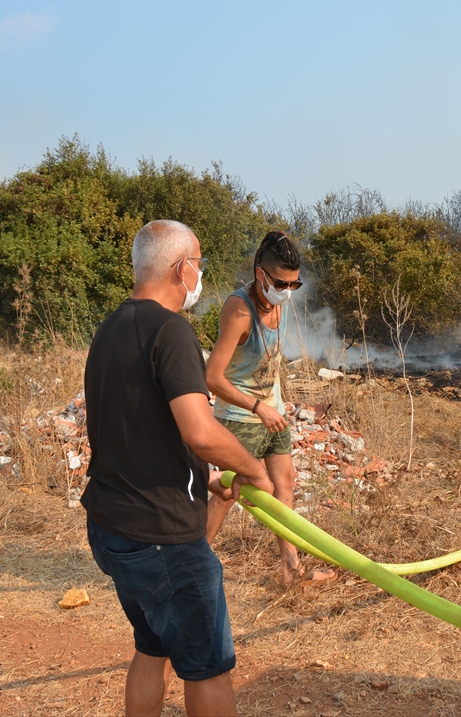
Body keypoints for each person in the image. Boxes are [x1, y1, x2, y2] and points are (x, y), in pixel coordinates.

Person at [82, 219, 274, 717]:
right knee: (207, 666)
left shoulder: (110, 328)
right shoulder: (171, 332)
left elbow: (134, 424)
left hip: (111, 527)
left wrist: (204, 476)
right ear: (180, 268)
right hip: (162, 540)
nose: (201, 275)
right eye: (200, 264)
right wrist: (252, 467)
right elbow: (200, 430)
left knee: (152, 648)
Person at [204, 231, 333, 587]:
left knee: (284, 485)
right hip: (240, 417)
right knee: (230, 493)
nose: (288, 291)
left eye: (294, 284)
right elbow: (212, 377)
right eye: (281, 283)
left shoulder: (279, 301)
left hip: (272, 413)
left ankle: (292, 572)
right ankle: (192, 566)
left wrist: (274, 404)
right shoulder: (238, 310)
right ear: (261, 274)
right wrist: (258, 406)